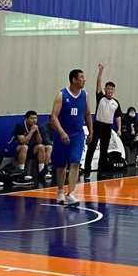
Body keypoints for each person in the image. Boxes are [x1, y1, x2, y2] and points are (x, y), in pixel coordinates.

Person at [51, 69, 93, 205]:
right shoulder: (61, 95)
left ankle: (71, 193)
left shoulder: (85, 95)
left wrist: (91, 131)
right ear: (74, 80)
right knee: (61, 165)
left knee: (75, 163)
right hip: (63, 134)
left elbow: (87, 114)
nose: (84, 80)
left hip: (77, 134)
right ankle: (60, 191)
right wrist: (62, 132)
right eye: (81, 77)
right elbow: (53, 117)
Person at [84, 61, 122, 177]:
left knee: (104, 150)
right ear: (105, 89)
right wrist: (100, 71)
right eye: (108, 89)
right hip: (97, 125)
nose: (110, 91)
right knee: (91, 148)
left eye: (112, 89)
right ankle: (87, 171)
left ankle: (101, 172)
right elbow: (98, 84)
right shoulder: (100, 97)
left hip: (107, 127)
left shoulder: (116, 103)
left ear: (114, 91)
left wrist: (119, 129)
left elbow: (118, 116)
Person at [7, 111, 48, 178]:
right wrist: (31, 131)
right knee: (24, 147)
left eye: (35, 118)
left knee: (41, 147)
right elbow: (23, 142)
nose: (34, 120)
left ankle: (41, 171)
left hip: (27, 148)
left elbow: (39, 142)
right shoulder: (20, 126)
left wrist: (37, 132)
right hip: (13, 148)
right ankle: (21, 172)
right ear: (26, 119)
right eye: (32, 118)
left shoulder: (35, 126)